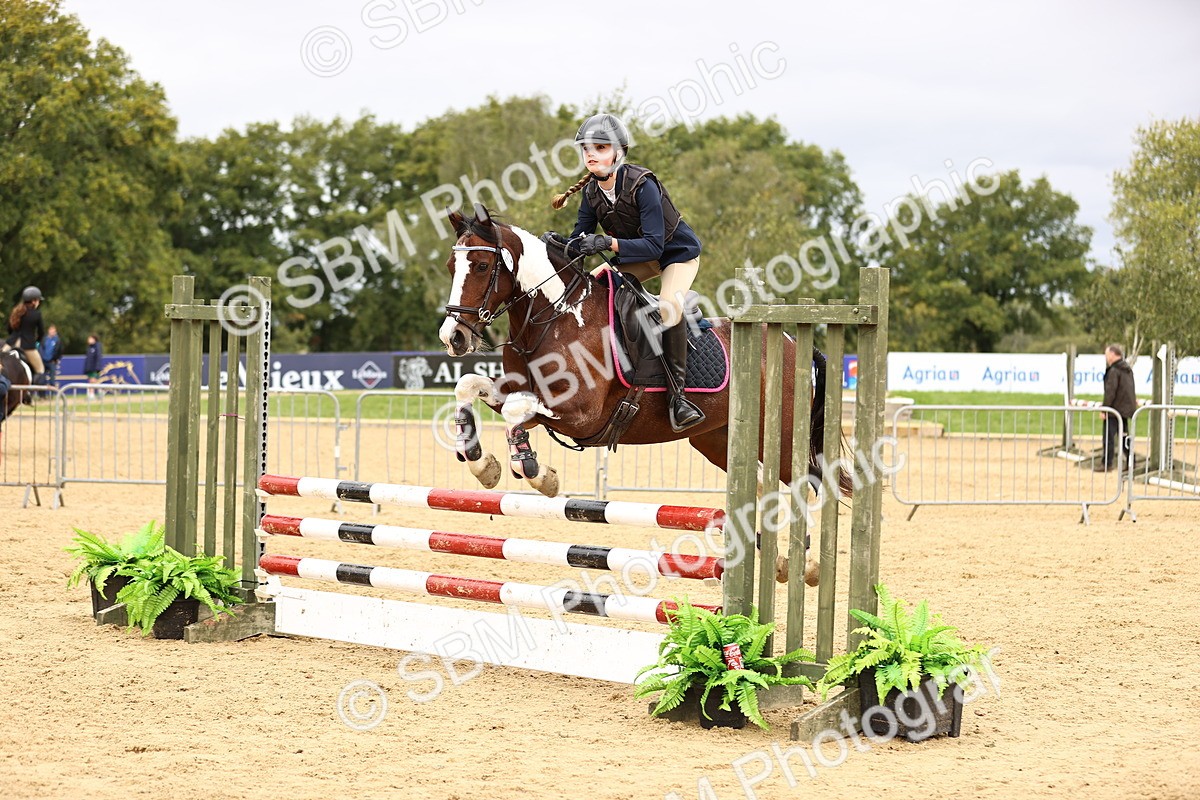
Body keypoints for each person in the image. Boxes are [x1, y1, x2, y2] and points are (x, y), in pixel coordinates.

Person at [543, 112, 706, 432]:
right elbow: (580, 241)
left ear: (619, 152)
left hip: (675, 255)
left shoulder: (643, 184)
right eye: (586, 148)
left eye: (600, 147)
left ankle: (679, 399)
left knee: (668, 308)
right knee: (594, 284)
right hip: (635, 255)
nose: (591, 154)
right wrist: (555, 244)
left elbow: (654, 247)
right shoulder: (591, 192)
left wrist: (608, 242)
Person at [1098, 344, 1137, 472]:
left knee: (1109, 437)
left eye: (1107, 354)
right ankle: (1132, 462)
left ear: (1113, 354)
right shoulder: (1127, 369)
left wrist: (1105, 409)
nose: (1106, 357)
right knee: (1124, 437)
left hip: (1114, 410)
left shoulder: (1114, 370)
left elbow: (1110, 392)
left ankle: (1107, 463)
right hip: (1125, 409)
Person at [6, 286, 46, 384]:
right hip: (27, 346)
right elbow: (41, 332)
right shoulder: (36, 314)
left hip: (11, 344)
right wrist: (37, 341)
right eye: (38, 301)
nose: (38, 303)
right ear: (33, 301)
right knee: (41, 370)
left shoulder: (16, 311)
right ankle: (29, 391)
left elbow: (9, 329)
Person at [84, 333, 103, 399]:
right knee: (91, 381)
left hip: (95, 368)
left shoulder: (97, 346)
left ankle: (93, 394)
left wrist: (97, 367)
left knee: (93, 380)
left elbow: (98, 357)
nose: (88, 340)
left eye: (90, 339)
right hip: (90, 368)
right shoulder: (89, 348)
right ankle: (98, 392)